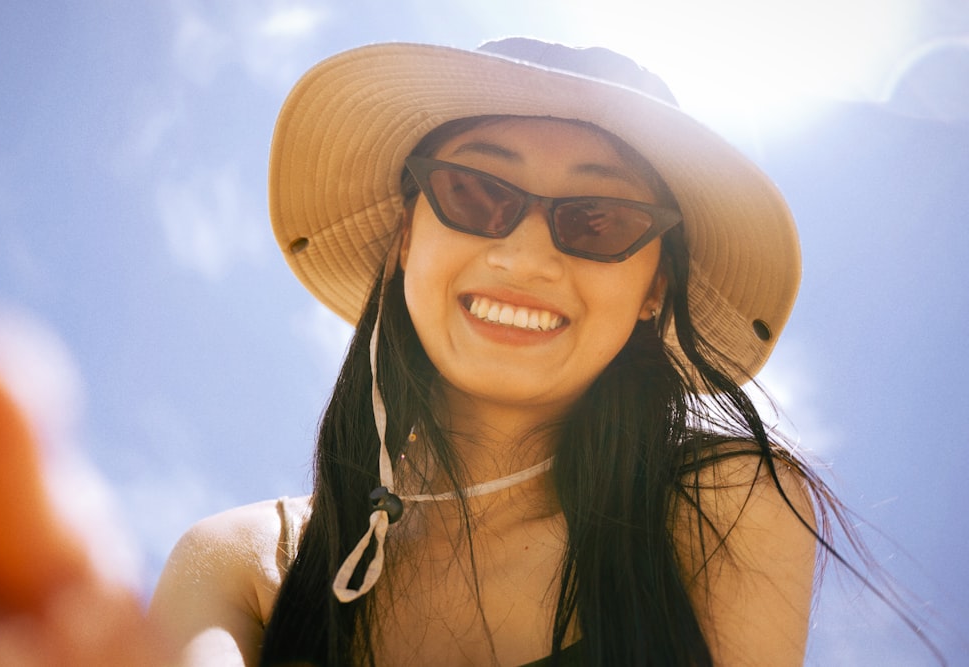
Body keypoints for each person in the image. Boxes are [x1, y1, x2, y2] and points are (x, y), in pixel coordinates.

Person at [149, 38, 824, 666]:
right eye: (473, 191)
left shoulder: (722, 506)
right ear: (407, 237)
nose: (526, 257)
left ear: (655, 287)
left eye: (600, 218)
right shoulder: (242, 563)